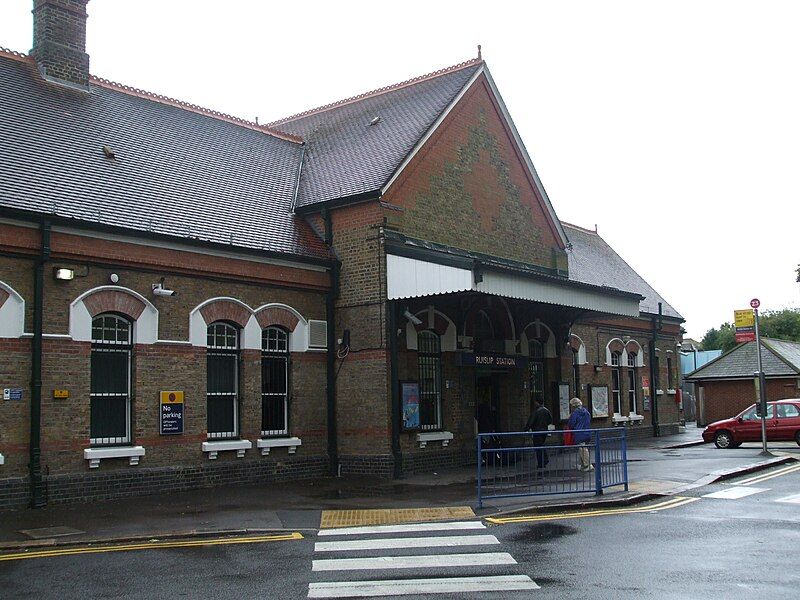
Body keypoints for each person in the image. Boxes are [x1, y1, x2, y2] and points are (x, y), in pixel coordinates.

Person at [567, 397, 593, 472]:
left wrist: (569, 418)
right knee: (582, 448)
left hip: (579, 433)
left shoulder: (574, 414)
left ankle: (588, 465)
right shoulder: (586, 412)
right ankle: (581, 465)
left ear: (573, 406)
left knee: (583, 448)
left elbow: (571, 424)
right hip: (587, 432)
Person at [525, 398, 552, 468]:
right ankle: (544, 460)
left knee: (538, 447)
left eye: (535, 402)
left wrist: (526, 429)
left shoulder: (536, 412)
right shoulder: (546, 410)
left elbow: (531, 421)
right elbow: (550, 420)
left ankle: (542, 462)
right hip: (544, 430)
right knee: (541, 445)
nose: (534, 404)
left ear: (537, 402)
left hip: (537, 431)